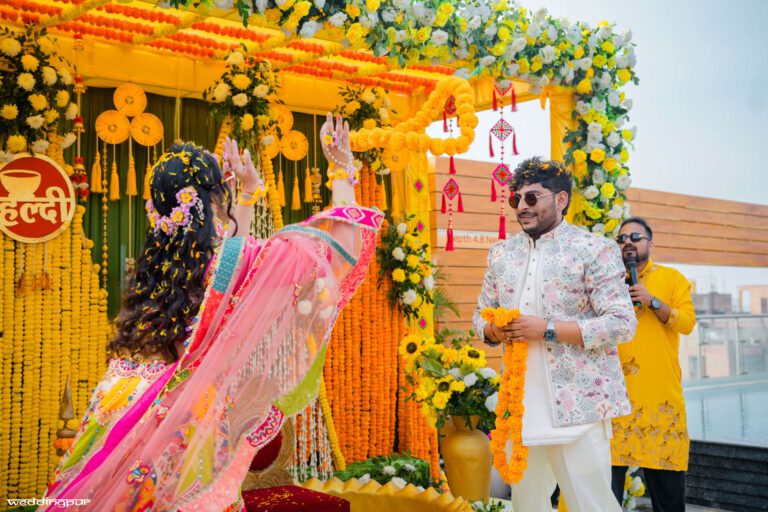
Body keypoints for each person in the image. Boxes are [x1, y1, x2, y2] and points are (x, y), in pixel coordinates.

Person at [43, 114, 383, 511]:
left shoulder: (157, 269)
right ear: (210, 203)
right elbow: (339, 252)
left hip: (119, 411)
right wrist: (341, 168)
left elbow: (227, 262)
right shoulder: (236, 263)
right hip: (187, 435)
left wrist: (248, 193)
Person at [473, 157, 637, 512]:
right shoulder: (501, 253)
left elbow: (621, 323)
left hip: (578, 405)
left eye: (532, 198)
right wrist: (493, 329)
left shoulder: (594, 249)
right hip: (521, 408)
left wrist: (545, 329)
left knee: (592, 504)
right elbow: (478, 316)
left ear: (560, 200)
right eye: (516, 199)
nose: (522, 207)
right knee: (527, 506)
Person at [610, 217, 696, 512]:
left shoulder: (672, 278)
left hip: (660, 402)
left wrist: (653, 302)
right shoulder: (608, 282)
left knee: (669, 500)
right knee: (603, 498)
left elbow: (686, 324)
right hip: (614, 403)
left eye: (635, 237)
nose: (628, 243)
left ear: (650, 243)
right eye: (621, 239)